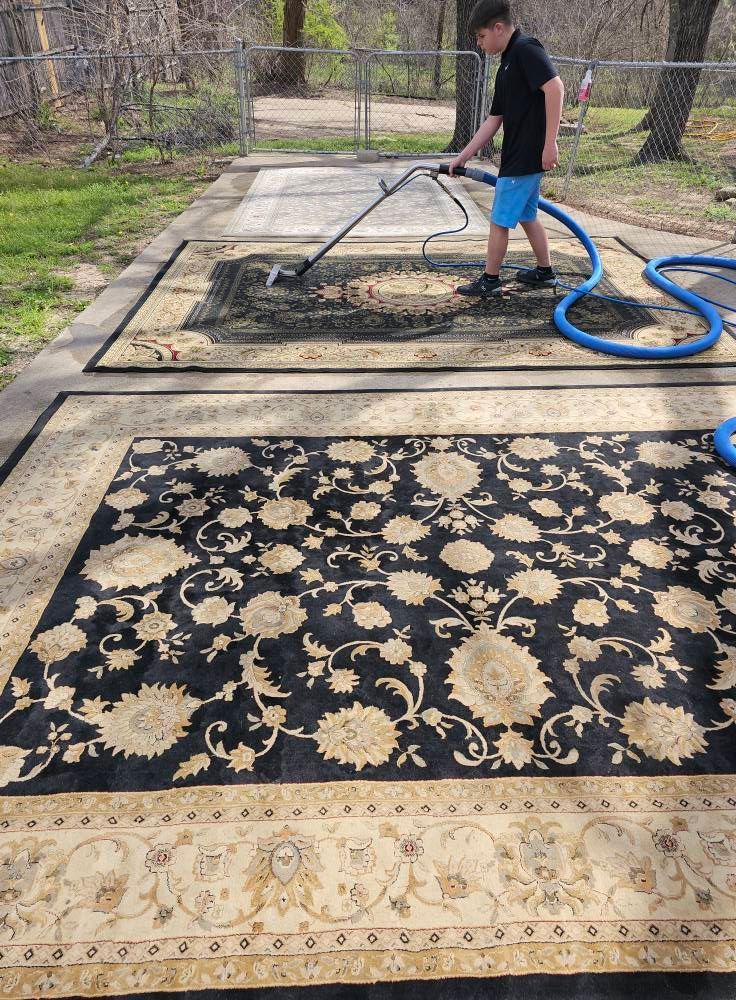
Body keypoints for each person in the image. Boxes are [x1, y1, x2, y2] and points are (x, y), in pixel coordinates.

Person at [449, 0, 564, 296]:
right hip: (516, 155)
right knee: (527, 214)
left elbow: (555, 88)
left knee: (500, 219)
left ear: (498, 28)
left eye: (481, 36)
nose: (479, 43)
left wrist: (550, 143)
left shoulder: (526, 50)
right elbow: (494, 119)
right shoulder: (506, 63)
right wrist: (462, 156)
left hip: (527, 155)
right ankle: (545, 271)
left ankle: (490, 280)